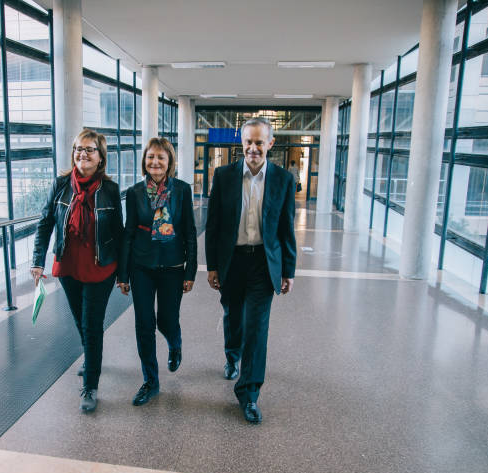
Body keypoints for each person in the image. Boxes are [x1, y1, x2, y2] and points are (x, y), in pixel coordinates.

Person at [205, 117, 297, 424]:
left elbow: (286, 228)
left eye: (259, 142)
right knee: (233, 316)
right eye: (248, 142)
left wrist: (288, 270)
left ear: (270, 144)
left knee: (257, 327)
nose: (253, 148)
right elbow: (214, 225)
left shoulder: (283, 179)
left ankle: (249, 394)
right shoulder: (224, 176)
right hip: (232, 260)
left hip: (263, 262)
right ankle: (232, 356)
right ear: (241, 144)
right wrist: (213, 266)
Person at [30, 129, 124, 413]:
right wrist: (37, 260)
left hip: (100, 267)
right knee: (80, 321)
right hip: (69, 266)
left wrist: (123, 273)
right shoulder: (61, 185)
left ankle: (91, 385)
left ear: (100, 157)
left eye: (90, 150)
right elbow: (45, 222)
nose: (82, 154)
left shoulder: (110, 190)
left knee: (91, 325)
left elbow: (118, 232)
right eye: (78, 149)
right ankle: (92, 357)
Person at [118, 138, 197, 406]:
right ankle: (150, 381)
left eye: (161, 158)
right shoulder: (135, 192)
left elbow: (190, 233)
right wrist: (122, 274)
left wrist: (190, 272)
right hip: (141, 266)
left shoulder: (183, 191)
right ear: (145, 160)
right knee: (144, 324)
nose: (155, 162)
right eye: (150, 157)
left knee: (166, 320)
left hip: (173, 267)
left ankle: (175, 343)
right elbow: (128, 233)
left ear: (169, 162)